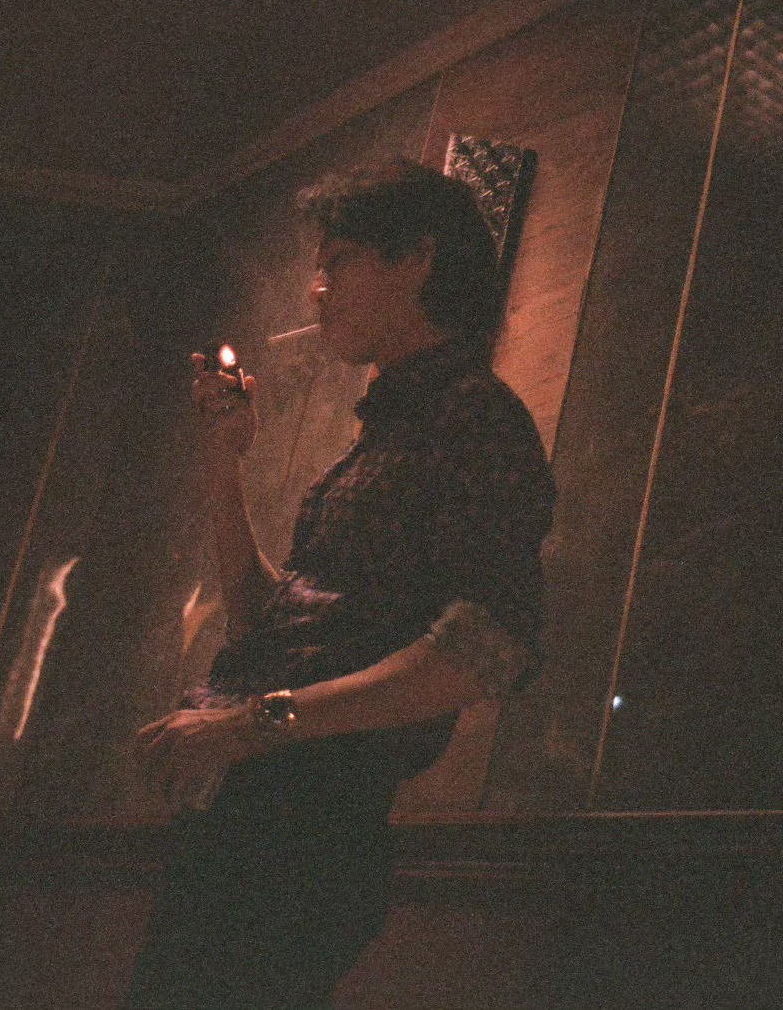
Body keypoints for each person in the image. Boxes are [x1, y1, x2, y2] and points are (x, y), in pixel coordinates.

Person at [123, 163, 554, 1010]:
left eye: (340, 261)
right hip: (252, 816)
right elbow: (264, 627)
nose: (317, 289)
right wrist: (223, 463)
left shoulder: (477, 418)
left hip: (310, 828)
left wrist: (249, 724)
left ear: (417, 258)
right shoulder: (386, 433)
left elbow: (488, 650)